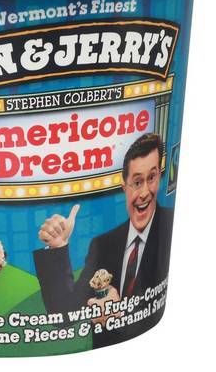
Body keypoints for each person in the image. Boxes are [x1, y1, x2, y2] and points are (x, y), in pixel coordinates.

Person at [33, 133, 174, 348]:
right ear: (124, 187)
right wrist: (58, 246)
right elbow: (64, 313)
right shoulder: (104, 244)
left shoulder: (167, 224)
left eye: (152, 178)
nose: (145, 192)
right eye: (137, 182)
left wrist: (120, 313)